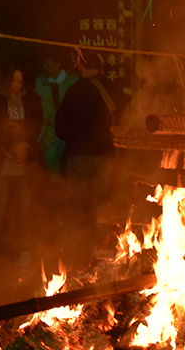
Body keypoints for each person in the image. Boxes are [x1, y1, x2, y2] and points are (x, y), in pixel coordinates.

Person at [54, 53, 119, 270]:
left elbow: (60, 128)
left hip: (79, 158)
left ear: (82, 66)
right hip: (106, 160)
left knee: (76, 210)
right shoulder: (113, 90)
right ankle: (101, 263)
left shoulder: (77, 90)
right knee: (101, 211)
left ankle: (75, 261)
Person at [0, 63, 43, 270]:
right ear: (6, 79)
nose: (16, 84)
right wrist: (12, 146)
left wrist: (25, 146)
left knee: (24, 211)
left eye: (19, 81)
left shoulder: (29, 100)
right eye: (13, 80)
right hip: (3, 164)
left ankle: (24, 254)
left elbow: (36, 124)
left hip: (23, 165)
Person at [34, 48, 78, 179]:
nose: (44, 66)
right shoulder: (40, 83)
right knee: (46, 173)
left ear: (55, 63)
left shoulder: (73, 82)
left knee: (64, 173)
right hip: (46, 137)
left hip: (67, 137)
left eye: (46, 62)